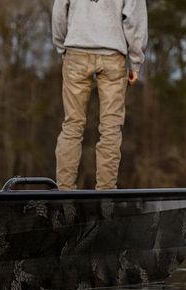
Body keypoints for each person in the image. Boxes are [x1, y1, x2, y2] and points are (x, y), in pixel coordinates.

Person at [52, 0, 148, 190]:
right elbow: (135, 18)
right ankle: (106, 195)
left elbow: (59, 12)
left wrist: (62, 47)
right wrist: (135, 60)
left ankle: (63, 193)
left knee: (72, 125)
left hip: (76, 51)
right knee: (111, 129)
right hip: (113, 55)